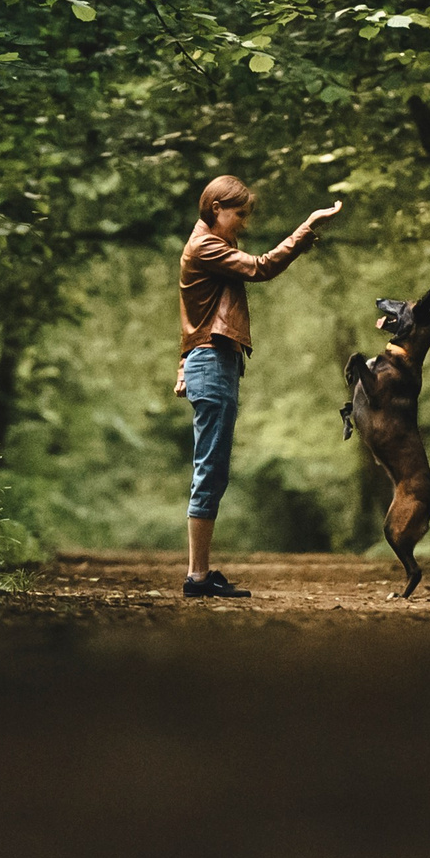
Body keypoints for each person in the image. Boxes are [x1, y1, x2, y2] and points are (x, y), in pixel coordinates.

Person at [173, 176, 344, 598]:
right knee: (210, 468)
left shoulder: (209, 245)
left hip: (214, 359)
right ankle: (196, 577)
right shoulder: (206, 246)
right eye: (239, 213)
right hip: (212, 361)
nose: (243, 223)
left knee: (212, 467)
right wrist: (306, 228)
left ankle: (200, 572)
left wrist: (182, 363)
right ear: (217, 208)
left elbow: (194, 311)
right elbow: (261, 267)